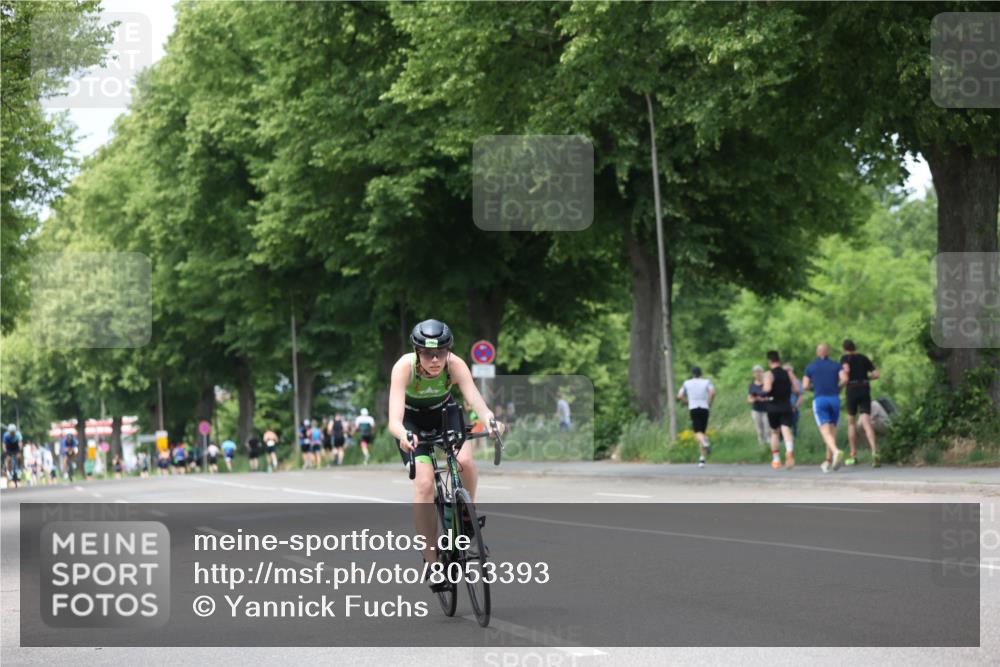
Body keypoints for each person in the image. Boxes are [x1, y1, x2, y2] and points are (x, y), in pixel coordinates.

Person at [388, 319, 503, 587]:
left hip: (445, 414)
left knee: (464, 460)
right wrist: (404, 436)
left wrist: (489, 419)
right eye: (428, 354)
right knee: (425, 484)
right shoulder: (404, 368)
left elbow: (474, 399)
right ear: (417, 352)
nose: (435, 359)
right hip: (412, 423)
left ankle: (466, 515)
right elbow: (394, 419)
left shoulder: (455, 364)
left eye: (441, 352)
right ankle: (432, 562)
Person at [803, 343, 846, 472]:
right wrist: (838, 388)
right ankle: (828, 461)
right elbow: (844, 379)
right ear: (828, 353)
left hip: (820, 399)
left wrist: (814, 387)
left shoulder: (810, 367)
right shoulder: (836, 365)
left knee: (825, 432)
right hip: (834, 399)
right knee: (832, 432)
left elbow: (805, 386)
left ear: (818, 353)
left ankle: (836, 451)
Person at [841, 339, 881, 467]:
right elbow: (876, 374)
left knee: (851, 423)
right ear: (855, 347)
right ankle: (875, 453)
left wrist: (842, 382)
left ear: (844, 349)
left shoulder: (844, 359)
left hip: (852, 391)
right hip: (864, 389)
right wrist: (865, 378)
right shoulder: (863, 358)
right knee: (866, 423)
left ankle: (853, 456)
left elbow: (846, 372)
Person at [762, 352, 800, 470]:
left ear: (769, 362)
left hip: (773, 406)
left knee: (775, 432)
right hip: (786, 405)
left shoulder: (769, 374)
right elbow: (797, 389)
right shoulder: (788, 373)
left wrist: (763, 388)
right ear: (779, 360)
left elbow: (767, 388)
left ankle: (776, 459)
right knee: (786, 429)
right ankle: (789, 452)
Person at [677, 366, 716, 467]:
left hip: (693, 408)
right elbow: (712, 392)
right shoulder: (707, 382)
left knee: (697, 433)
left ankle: (705, 443)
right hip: (704, 407)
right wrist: (709, 402)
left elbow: (680, 396)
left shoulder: (687, 383)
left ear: (692, 374)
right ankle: (702, 459)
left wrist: (687, 402)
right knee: (702, 433)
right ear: (701, 373)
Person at [747, 365, 770, 446]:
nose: (758, 374)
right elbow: (749, 399)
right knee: (759, 430)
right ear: (753, 374)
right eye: (756, 372)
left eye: (759, 371)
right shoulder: (751, 385)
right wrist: (755, 399)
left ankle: (769, 445)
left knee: (767, 428)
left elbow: (771, 396)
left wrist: (764, 399)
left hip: (767, 409)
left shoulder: (767, 384)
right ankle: (761, 444)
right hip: (756, 409)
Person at [784, 363, 804, 439]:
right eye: (785, 371)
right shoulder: (780, 382)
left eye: (788, 370)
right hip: (783, 408)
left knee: (794, 426)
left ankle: (795, 440)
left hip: (794, 408)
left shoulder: (797, 382)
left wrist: (795, 406)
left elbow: (801, 396)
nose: (787, 372)